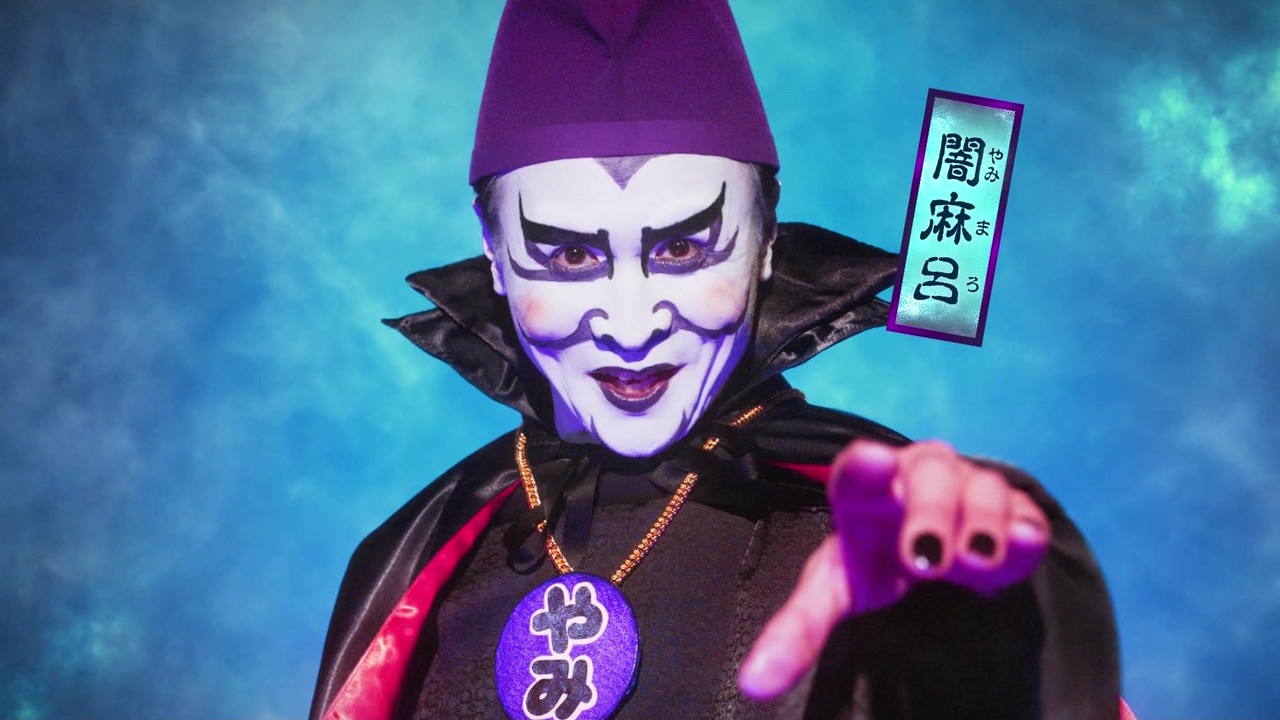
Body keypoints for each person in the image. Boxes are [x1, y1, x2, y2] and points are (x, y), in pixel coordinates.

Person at [311, 1, 1121, 718]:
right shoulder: (415, 563)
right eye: (569, 257)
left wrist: (1006, 642)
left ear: (766, 237)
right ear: (493, 253)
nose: (632, 327)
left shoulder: (880, 545)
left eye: (684, 248)